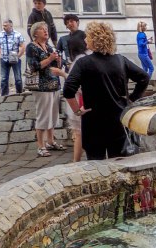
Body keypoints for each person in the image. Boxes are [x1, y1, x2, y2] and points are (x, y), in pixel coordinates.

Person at [63, 21, 149, 160]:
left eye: (87, 36)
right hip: (118, 119)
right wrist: (132, 98)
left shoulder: (83, 63)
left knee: (96, 166)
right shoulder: (121, 60)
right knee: (120, 164)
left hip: (94, 122)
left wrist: (77, 110)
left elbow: (68, 89)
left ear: (93, 39)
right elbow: (143, 77)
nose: (85, 40)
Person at [26, 21, 66, 156]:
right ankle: (40, 145)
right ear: (35, 33)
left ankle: (50, 141)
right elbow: (34, 66)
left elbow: (56, 66)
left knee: (53, 114)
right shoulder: (31, 47)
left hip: (54, 85)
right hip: (41, 86)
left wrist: (58, 60)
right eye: (43, 29)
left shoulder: (48, 46)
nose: (46, 31)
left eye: (46, 29)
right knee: (43, 115)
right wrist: (50, 59)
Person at [0, 19, 25, 96]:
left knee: (18, 78)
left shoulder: (17, 35)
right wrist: (0, 56)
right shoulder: (0, 34)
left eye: (5, 26)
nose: (4, 27)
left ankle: (19, 94)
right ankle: (4, 96)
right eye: (3, 25)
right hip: (4, 59)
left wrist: (18, 56)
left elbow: (22, 47)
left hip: (15, 60)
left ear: (11, 26)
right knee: (4, 79)